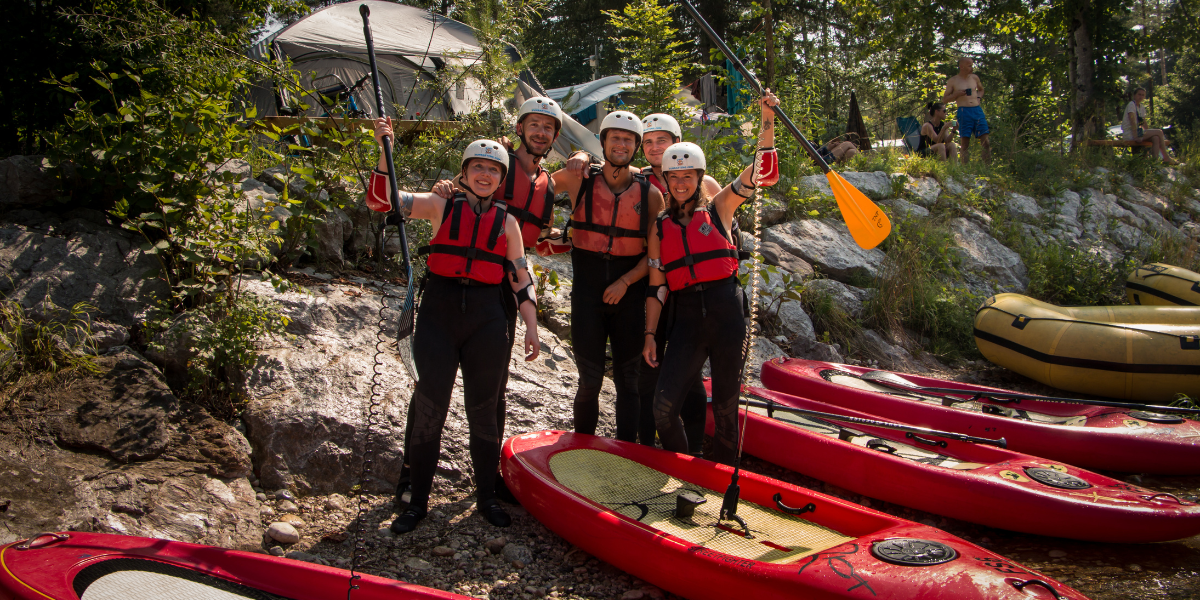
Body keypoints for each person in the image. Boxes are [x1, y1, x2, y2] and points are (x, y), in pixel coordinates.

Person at [365, 121, 541, 534]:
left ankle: (485, 499)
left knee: (483, 410)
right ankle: (416, 502)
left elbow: (519, 276)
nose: (485, 175)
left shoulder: (508, 222)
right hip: (439, 313)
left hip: (487, 318)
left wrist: (531, 326)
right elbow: (381, 200)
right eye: (477, 167)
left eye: (493, 170)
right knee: (430, 404)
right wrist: (382, 148)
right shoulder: (440, 204)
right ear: (463, 173)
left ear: (500, 179)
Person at [423, 97, 566, 505]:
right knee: (432, 386)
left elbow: (534, 243)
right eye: (534, 125)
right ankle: (412, 473)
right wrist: (444, 188)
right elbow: (468, 187)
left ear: (555, 136)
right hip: (466, 281)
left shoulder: (549, 183)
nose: (540, 133)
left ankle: (489, 480)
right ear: (521, 129)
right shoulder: (497, 160)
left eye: (548, 128)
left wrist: (571, 244)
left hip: (505, 288)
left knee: (494, 387)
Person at [643, 91, 779, 465]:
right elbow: (657, 287)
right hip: (686, 319)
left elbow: (761, 169)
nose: (681, 183)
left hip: (726, 313)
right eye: (674, 177)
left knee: (725, 410)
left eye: (688, 176)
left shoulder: (719, 207)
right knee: (663, 408)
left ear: (700, 178)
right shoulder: (660, 226)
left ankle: (724, 481)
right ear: (666, 180)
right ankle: (686, 469)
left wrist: (767, 119)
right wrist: (651, 335)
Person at [553, 111, 665, 443]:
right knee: (589, 381)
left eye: (628, 139)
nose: (621, 144)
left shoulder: (650, 195)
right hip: (587, 296)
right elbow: (534, 187)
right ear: (602, 142)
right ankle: (582, 448)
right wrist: (577, 156)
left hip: (629, 297)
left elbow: (656, 256)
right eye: (614, 137)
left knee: (628, 381)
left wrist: (626, 281)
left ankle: (627, 451)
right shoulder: (581, 179)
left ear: (636, 146)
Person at [634, 113, 719, 453]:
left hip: (689, 292)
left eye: (662, 140)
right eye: (649, 141)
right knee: (648, 369)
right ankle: (646, 445)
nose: (655, 147)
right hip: (654, 287)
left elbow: (716, 239)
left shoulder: (706, 184)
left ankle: (694, 449)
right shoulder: (638, 180)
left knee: (691, 375)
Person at [942, 57, 990, 164]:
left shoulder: (974, 78)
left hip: (977, 110)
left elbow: (981, 90)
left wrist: (978, 98)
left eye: (972, 65)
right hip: (964, 111)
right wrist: (956, 94)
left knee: (985, 141)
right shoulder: (953, 81)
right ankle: (965, 170)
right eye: (969, 66)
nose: (972, 68)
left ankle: (988, 169)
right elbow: (944, 100)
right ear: (962, 66)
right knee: (965, 143)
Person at [1123, 87, 1178, 165]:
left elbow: (1144, 122)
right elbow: (1132, 122)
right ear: (1134, 95)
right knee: (1159, 132)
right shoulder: (1131, 105)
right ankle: (1166, 157)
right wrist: (1136, 136)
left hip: (1139, 132)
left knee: (1155, 137)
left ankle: (1154, 162)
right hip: (1131, 133)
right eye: (1139, 94)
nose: (1141, 96)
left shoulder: (1141, 107)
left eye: (1143, 95)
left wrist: (1149, 133)